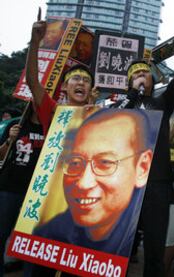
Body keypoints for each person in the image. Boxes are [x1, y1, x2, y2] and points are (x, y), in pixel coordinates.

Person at [111, 8, 174, 277]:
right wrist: (132, 94)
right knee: (115, 244)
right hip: (123, 183)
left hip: (157, 183)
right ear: (128, 83)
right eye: (135, 74)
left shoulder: (161, 103)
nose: (141, 76)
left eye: (145, 73)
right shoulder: (121, 106)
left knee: (155, 247)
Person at [33, 109, 153, 254]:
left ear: (142, 167)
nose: (83, 183)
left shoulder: (131, 235)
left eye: (105, 162)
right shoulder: (48, 234)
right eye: (75, 162)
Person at [26, 17, 99, 135]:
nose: (81, 83)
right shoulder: (52, 111)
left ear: (90, 90)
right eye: (76, 78)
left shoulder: (99, 117)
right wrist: (35, 42)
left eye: (86, 80)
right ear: (64, 86)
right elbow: (32, 82)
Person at [0, 104, 44, 276]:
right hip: (9, 188)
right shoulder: (16, 124)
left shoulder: (55, 125)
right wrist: (10, 140)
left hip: (37, 193)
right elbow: (1, 155)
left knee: (32, 243)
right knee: (1, 234)